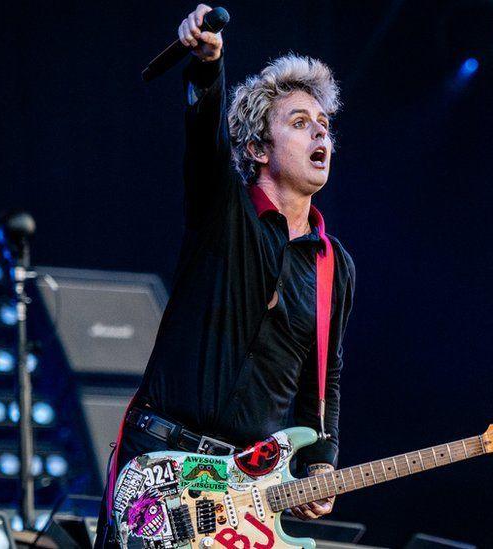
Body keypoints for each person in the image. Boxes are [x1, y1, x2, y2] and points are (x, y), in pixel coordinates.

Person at [94, 4, 354, 546]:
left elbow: (323, 376)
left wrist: (322, 461)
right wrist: (208, 66)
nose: (319, 136)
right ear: (258, 148)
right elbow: (203, 138)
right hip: (160, 465)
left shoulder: (335, 266)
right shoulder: (223, 209)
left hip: (241, 490)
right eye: (300, 123)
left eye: (325, 125)